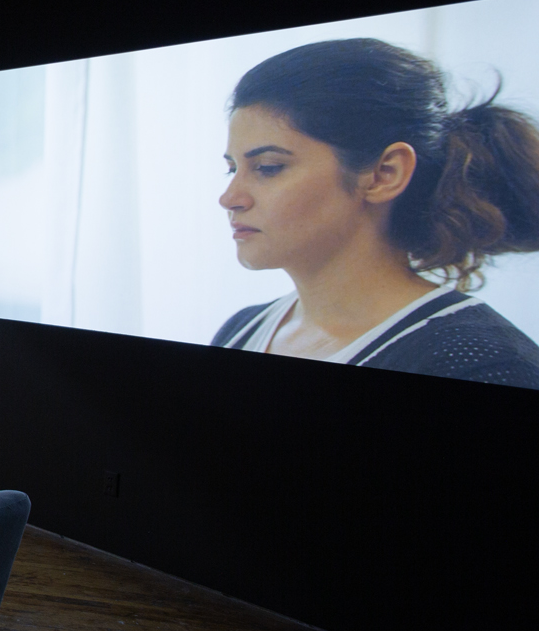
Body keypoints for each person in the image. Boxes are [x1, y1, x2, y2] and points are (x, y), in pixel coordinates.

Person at [212, 38, 539, 388]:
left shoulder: (482, 365)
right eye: (233, 169)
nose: (230, 198)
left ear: (385, 174)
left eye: (268, 167)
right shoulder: (241, 330)